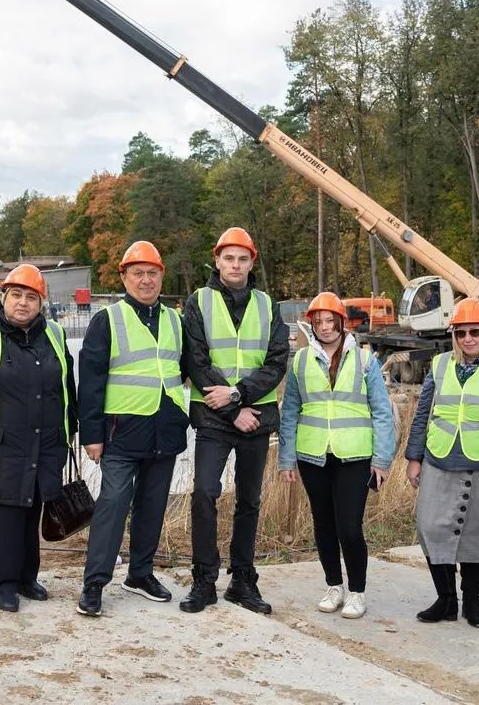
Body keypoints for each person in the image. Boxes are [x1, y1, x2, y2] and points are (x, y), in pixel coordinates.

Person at [0, 264, 77, 612]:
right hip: (0, 444)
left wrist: (72, 430)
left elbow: (66, 385)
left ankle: (26, 577)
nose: (23, 303)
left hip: (45, 442)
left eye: (31, 297)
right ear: (4, 298)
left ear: (41, 302)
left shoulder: (53, 334)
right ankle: (4, 583)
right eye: (16, 295)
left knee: (33, 509)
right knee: (5, 515)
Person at [76, 241, 189, 617]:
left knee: (152, 505)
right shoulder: (107, 320)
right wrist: (91, 435)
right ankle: (95, 583)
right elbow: (90, 381)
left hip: (165, 429)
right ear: (124, 276)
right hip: (121, 432)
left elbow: (184, 369)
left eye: (152, 273)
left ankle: (140, 574)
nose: (146, 280)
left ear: (161, 277)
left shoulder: (175, 320)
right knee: (112, 505)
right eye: (138, 273)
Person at [180, 227, 290, 615]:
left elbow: (277, 361)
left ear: (251, 262)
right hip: (214, 417)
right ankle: (204, 581)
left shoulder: (266, 305)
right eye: (229, 258)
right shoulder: (198, 302)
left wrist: (240, 395)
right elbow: (195, 360)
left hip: (255, 416)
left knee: (249, 501)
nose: (235, 265)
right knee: (205, 494)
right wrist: (231, 407)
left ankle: (242, 580)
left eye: (243, 258)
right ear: (217, 260)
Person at [404, 298, 479, 628]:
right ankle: (445, 599)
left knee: (476, 534)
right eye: (461, 333)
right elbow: (422, 415)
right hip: (439, 458)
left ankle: (471, 602)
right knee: (430, 528)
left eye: (474, 332)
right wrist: (414, 458)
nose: (468, 339)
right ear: (454, 336)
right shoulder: (440, 365)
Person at [278, 292, 396, 620]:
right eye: (319, 322)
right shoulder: (300, 360)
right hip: (313, 454)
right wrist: (287, 458)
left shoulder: (363, 360)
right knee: (323, 524)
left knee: (349, 526)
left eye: (331, 321)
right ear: (312, 324)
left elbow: (382, 411)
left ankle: (357, 591)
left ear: (342, 323)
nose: (325, 327)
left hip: (354, 455)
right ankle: (334, 586)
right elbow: (290, 411)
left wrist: (382, 459)